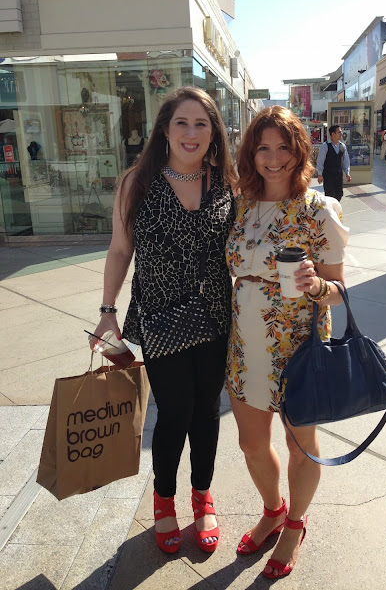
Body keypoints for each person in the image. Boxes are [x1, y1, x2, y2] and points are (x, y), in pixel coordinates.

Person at [90, 86, 237, 554]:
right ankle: (165, 497)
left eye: (201, 124)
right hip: (160, 317)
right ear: (165, 130)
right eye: (182, 123)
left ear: (213, 133)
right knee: (174, 412)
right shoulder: (137, 182)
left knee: (207, 411)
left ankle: (202, 495)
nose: (191, 133)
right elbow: (120, 250)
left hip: (215, 315)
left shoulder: (226, 181)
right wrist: (108, 312)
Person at [225, 106, 349, 579]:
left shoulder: (319, 209)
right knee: (251, 444)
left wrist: (316, 286)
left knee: (302, 447)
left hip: (300, 348)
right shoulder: (241, 205)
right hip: (245, 345)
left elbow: (340, 290)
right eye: (263, 148)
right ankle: (273, 510)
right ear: (251, 153)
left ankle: (295, 524)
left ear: (299, 152)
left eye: (283, 148)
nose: (273, 158)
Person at [316, 124, 351, 201]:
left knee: (339, 194)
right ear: (333, 134)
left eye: (341, 132)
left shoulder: (342, 146)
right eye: (339, 132)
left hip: (338, 176)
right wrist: (320, 174)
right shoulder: (325, 146)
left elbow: (345, 161)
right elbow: (320, 161)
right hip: (328, 176)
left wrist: (347, 173)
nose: (341, 134)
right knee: (330, 196)